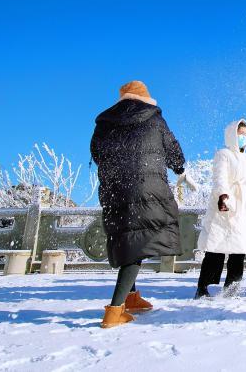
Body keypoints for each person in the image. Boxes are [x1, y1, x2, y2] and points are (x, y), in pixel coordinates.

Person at [90, 81, 187, 328]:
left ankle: (131, 298)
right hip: (147, 188)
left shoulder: (104, 123)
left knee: (128, 239)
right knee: (139, 241)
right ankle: (114, 311)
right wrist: (179, 168)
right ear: (145, 98)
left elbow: (96, 154)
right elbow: (175, 154)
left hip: (114, 191)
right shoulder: (154, 120)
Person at [195, 119, 246, 299]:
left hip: (242, 208)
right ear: (232, 134)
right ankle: (203, 288)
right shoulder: (223, 154)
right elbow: (220, 177)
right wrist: (223, 195)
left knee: (238, 250)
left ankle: (231, 288)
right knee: (216, 248)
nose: (243, 137)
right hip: (224, 203)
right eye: (240, 133)